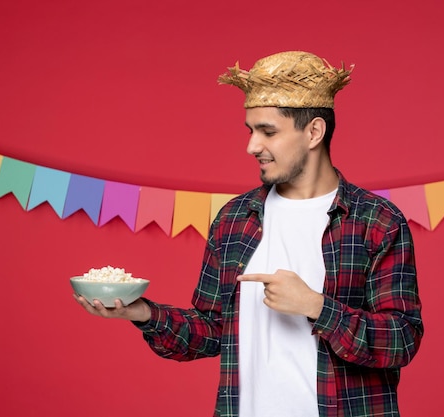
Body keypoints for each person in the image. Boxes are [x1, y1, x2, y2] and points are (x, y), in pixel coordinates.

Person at [74, 51, 424, 417]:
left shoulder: (376, 221)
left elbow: (402, 339)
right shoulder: (235, 219)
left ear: (314, 132)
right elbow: (211, 332)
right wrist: (143, 313)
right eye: (251, 130)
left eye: (268, 132)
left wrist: (316, 306)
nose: (252, 146)